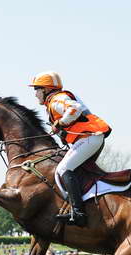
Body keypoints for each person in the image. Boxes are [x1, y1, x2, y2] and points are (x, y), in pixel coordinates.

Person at [29, 71, 111, 227]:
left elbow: (75, 108)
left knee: (64, 169)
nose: (35, 94)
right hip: (91, 138)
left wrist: (60, 123)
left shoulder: (56, 100)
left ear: (45, 89)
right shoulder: (54, 101)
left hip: (90, 138)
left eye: (36, 89)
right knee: (74, 170)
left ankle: (79, 212)